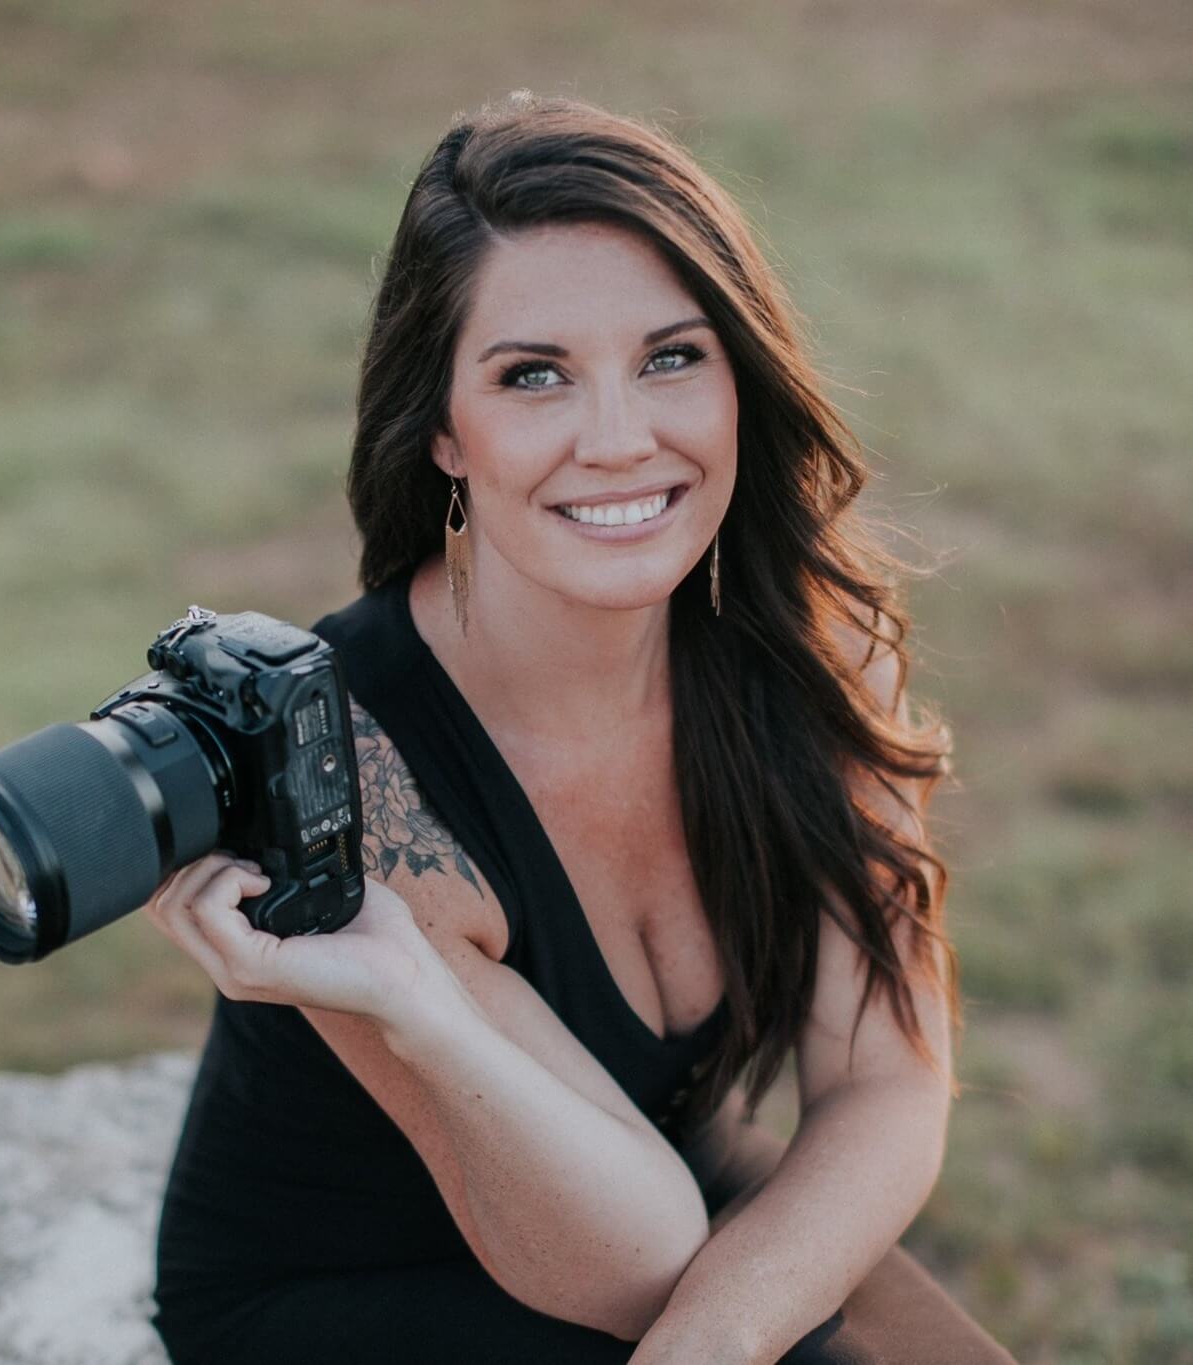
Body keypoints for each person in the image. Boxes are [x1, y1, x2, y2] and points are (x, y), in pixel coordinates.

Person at [144, 92, 1017, 1364]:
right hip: (350, 1292)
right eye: (534, 375)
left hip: (663, 1194)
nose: (620, 442)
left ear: (741, 378)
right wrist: (423, 1011)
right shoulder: (339, 757)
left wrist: (721, 1333)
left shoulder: (809, 652)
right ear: (444, 429)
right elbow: (637, 1263)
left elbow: (885, 1086)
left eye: (672, 357)